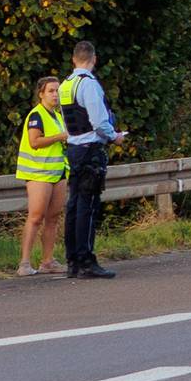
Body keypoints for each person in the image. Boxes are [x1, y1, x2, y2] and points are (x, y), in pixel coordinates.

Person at [60, 40, 126, 278]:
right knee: (87, 206)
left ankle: (73, 262)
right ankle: (87, 261)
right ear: (94, 59)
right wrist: (114, 136)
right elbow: (98, 121)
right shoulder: (88, 85)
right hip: (90, 149)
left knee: (74, 206)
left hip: (73, 148)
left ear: (73, 59)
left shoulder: (65, 85)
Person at [15, 75, 70, 276]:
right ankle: (24, 263)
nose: (55, 95)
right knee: (36, 217)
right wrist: (60, 137)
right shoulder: (36, 115)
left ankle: (48, 261)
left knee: (53, 217)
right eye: (51, 91)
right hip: (39, 173)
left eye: (57, 91)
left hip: (57, 171)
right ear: (41, 94)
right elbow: (34, 141)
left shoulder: (57, 116)